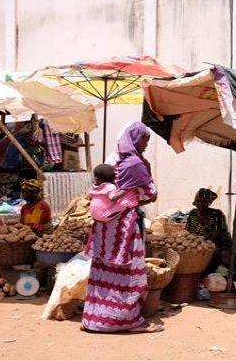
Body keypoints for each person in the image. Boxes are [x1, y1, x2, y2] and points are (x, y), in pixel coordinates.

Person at [82, 121, 162, 333]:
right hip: (124, 227)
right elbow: (150, 194)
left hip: (103, 229)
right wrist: (148, 171)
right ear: (135, 138)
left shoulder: (112, 160)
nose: (146, 144)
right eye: (145, 139)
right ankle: (123, 321)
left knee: (103, 271)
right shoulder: (135, 164)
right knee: (129, 274)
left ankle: (94, 319)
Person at [185, 188, 231, 272]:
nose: (202, 204)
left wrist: (203, 245)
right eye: (199, 201)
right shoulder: (193, 214)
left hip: (218, 243)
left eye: (205, 201)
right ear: (195, 202)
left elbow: (217, 234)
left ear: (210, 202)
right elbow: (188, 232)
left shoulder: (217, 214)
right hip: (198, 243)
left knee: (215, 254)